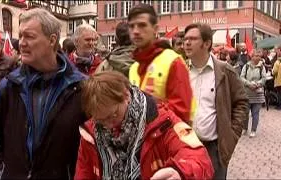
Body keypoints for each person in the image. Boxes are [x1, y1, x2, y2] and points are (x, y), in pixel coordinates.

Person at [0, 8, 87, 179]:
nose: (21, 43)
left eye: (29, 36)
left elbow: (92, 150)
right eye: (20, 35)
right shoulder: (9, 86)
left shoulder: (81, 88)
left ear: (52, 40)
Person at [75, 71, 214, 180]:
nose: (109, 125)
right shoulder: (91, 134)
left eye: (114, 114)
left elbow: (198, 157)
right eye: (101, 120)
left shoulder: (163, 122)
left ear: (126, 96)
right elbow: (83, 173)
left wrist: (180, 172)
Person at [184, 23, 249, 179]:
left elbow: (241, 102)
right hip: (186, 147)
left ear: (207, 43)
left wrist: (231, 136)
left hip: (214, 149)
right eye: (185, 39)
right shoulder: (181, 71)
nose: (186, 43)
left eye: (192, 39)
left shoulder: (225, 71)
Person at [128, 4, 194, 123]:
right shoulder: (134, 67)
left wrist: (147, 106)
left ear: (155, 29)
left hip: (168, 139)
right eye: (132, 26)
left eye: (142, 25)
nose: (136, 31)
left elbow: (182, 112)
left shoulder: (173, 62)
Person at [240, 49, 266, 137]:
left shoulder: (262, 67)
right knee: (245, 113)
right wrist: (248, 84)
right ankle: (244, 128)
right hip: (247, 94)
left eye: (259, 56)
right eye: (256, 56)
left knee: (255, 113)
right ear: (252, 56)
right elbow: (242, 77)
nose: (258, 57)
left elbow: (264, 78)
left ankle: (253, 130)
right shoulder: (246, 66)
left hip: (257, 94)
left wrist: (258, 84)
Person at [272, 44, 281, 109]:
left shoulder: (278, 61)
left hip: (279, 80)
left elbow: (274, 71)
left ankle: (279, 106)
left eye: (277, 50)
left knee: (279, 93)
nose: (276, 52)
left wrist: (272, 72)